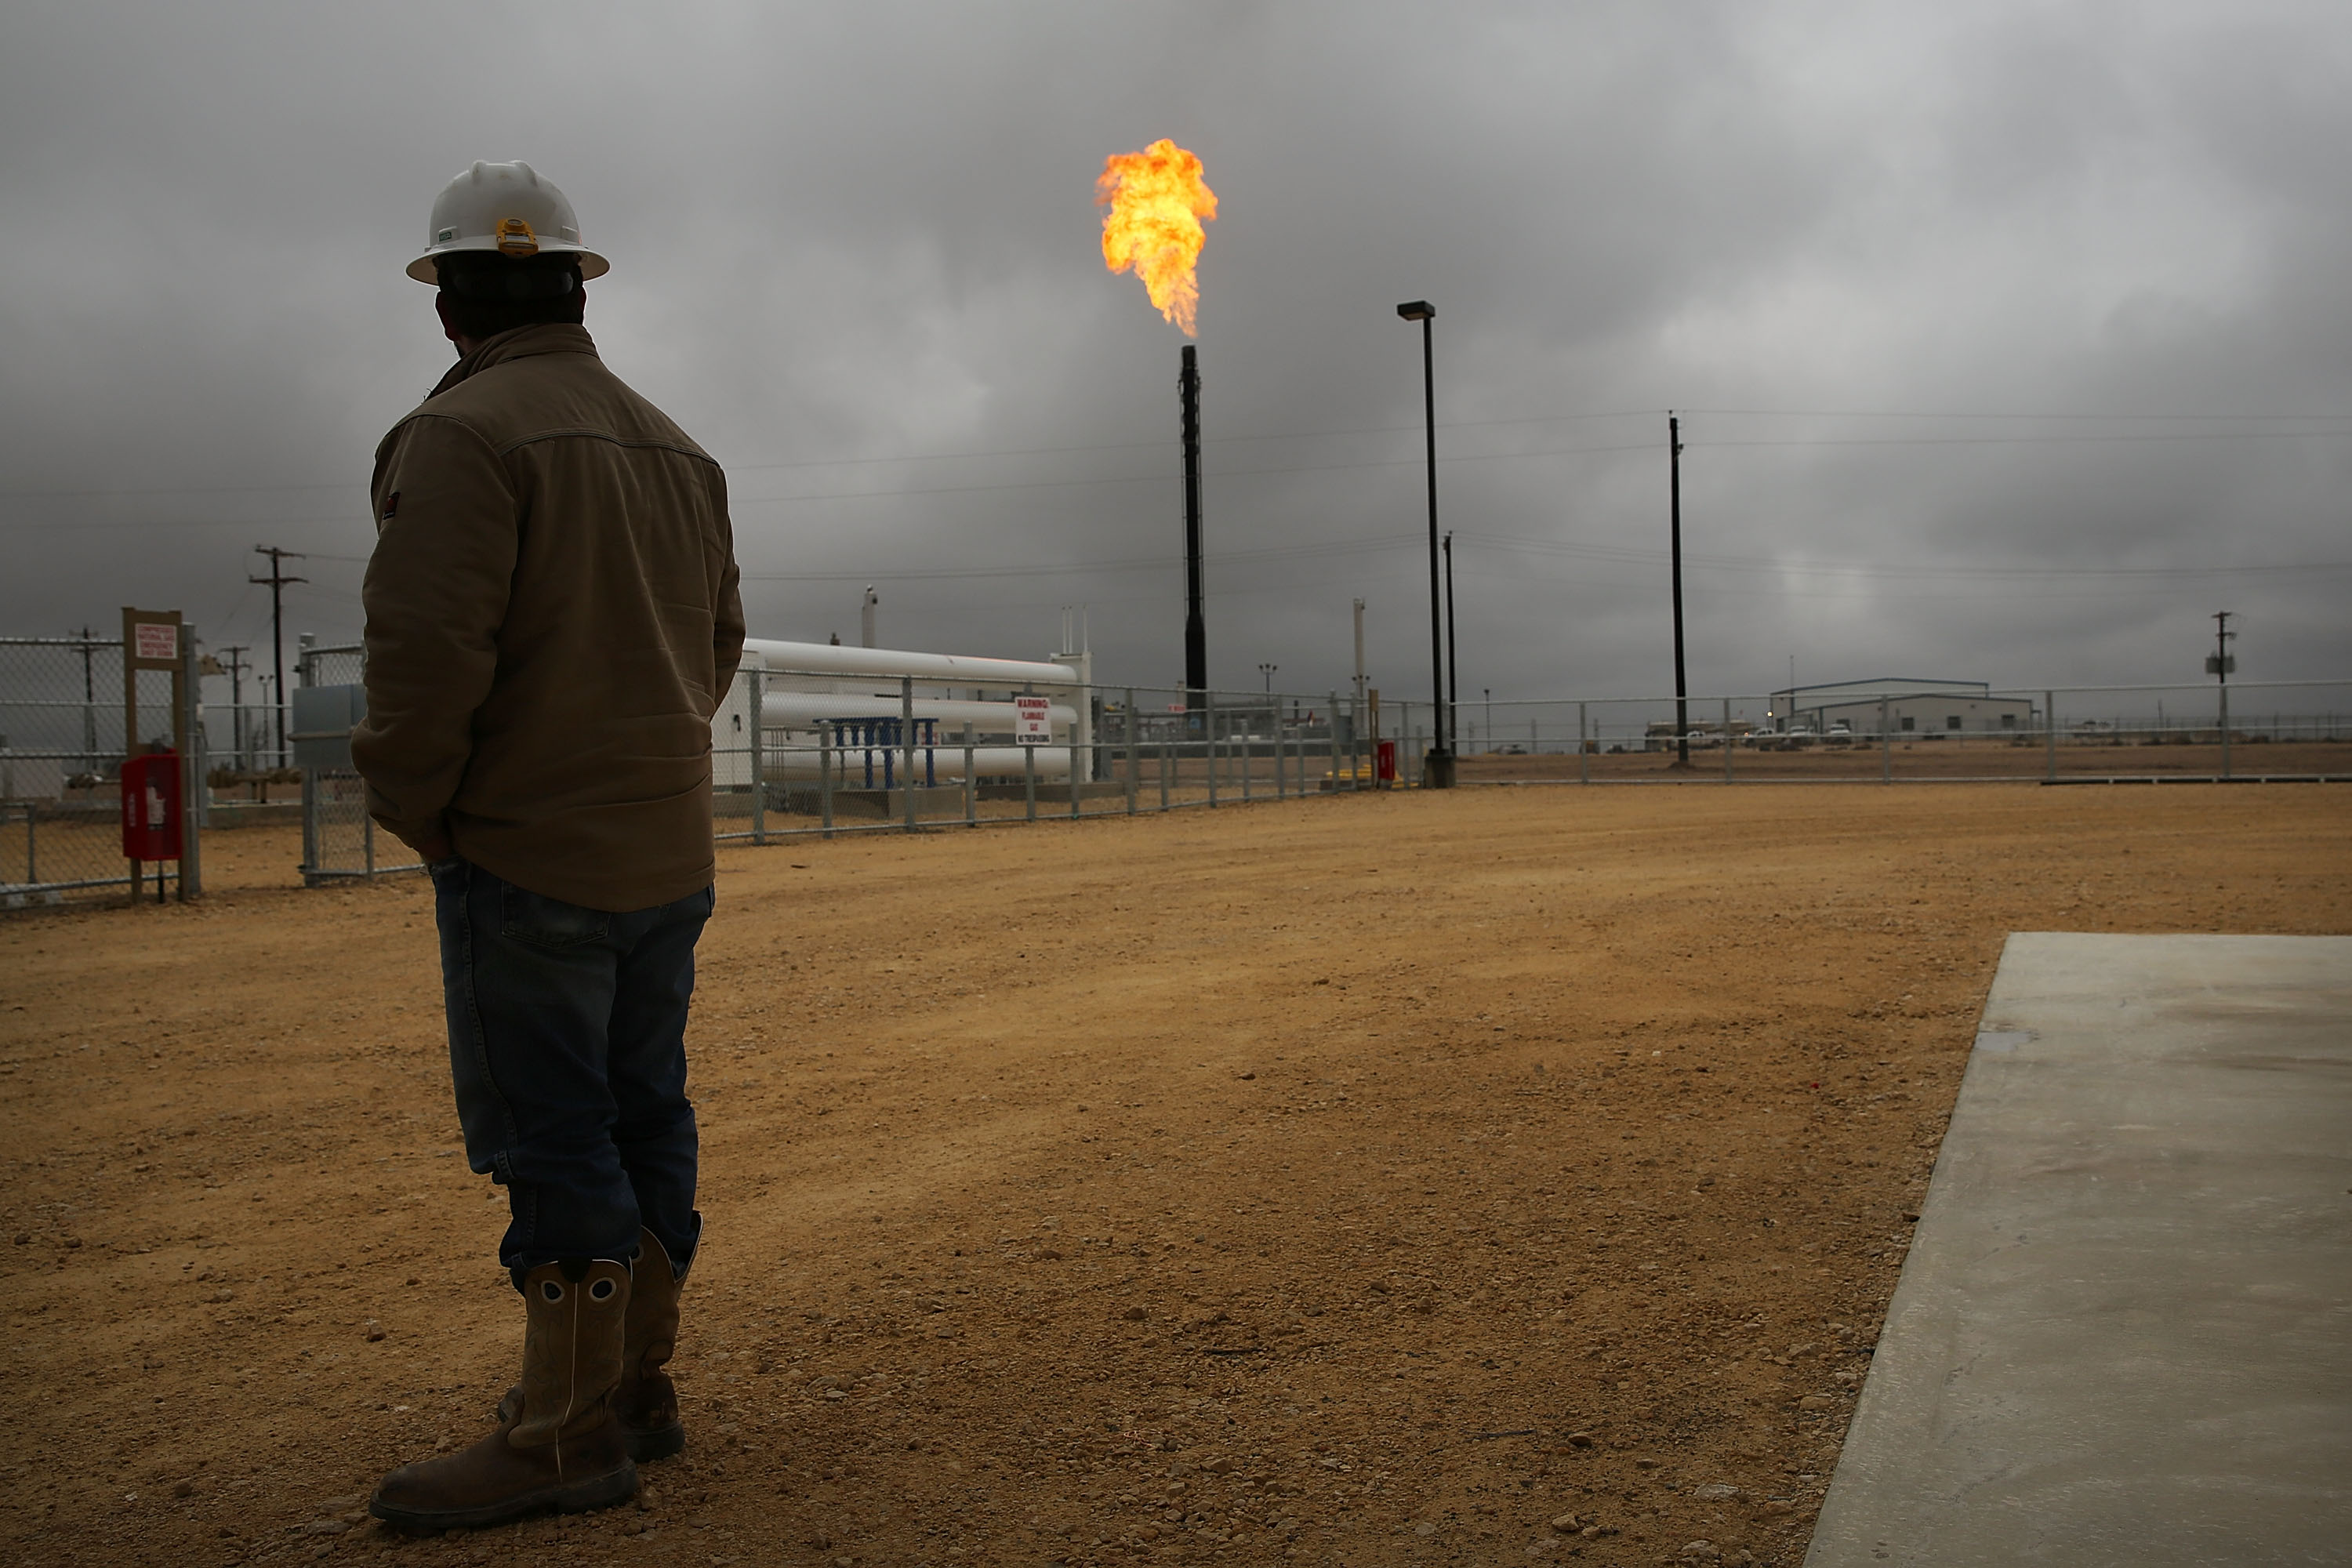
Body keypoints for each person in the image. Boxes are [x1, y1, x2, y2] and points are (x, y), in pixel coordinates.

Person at [352, 160, 744, 1531]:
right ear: (579, 286)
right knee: (648, 1112)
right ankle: (638, 1389)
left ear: (448, 302)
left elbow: (420, 665)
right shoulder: (675, 447)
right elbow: (717, 648)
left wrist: (438, 815)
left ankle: (567, 1435)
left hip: (530, 857)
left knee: (557, 1132)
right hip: (663, 853)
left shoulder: (460, 438)